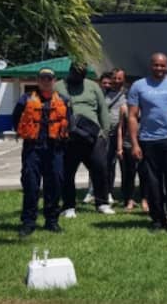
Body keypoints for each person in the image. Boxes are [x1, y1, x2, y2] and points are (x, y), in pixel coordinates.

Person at [128, 52, 167, 236]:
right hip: (148, 140)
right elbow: (132, 116)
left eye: (162, 65)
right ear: (151, 65)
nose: (159, 68)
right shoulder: (139, 85)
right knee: (152, 184)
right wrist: (135, 144)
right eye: (156, 65)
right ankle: (158, 220)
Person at [13, 67, 72, 237]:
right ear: (38, 80)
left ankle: (51, 221)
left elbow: (70, 122)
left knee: (55, 184)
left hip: (56, 149)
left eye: (49, 78)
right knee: (31, 184)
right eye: (43, 78)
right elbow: (16, 120)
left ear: (54, 81)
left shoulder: (64, 100)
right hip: (33, 148)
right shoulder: (26, 99)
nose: (46, 81)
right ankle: (28, 222)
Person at [57, 63, 114, 218]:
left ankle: (102, 203)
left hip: (94, 136)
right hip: (69, 138)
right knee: (67, 173)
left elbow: (103, 109)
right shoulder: (58, 87)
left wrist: (104, 133)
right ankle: (68, 206)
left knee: (100, 169)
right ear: (70, 72)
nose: (79, 78)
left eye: (82, 75)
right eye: (76, 74)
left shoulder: (93, 86)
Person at [102, 68, 127, 205]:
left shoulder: (128, 94)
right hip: (108, 134)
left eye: (119, 78)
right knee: (108, 165)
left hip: (125, 134)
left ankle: (126, 194)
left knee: (126, 167)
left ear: (124, 79)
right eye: (114, 78)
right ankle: (108, 192)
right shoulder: (104, 93)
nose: (116, 81)